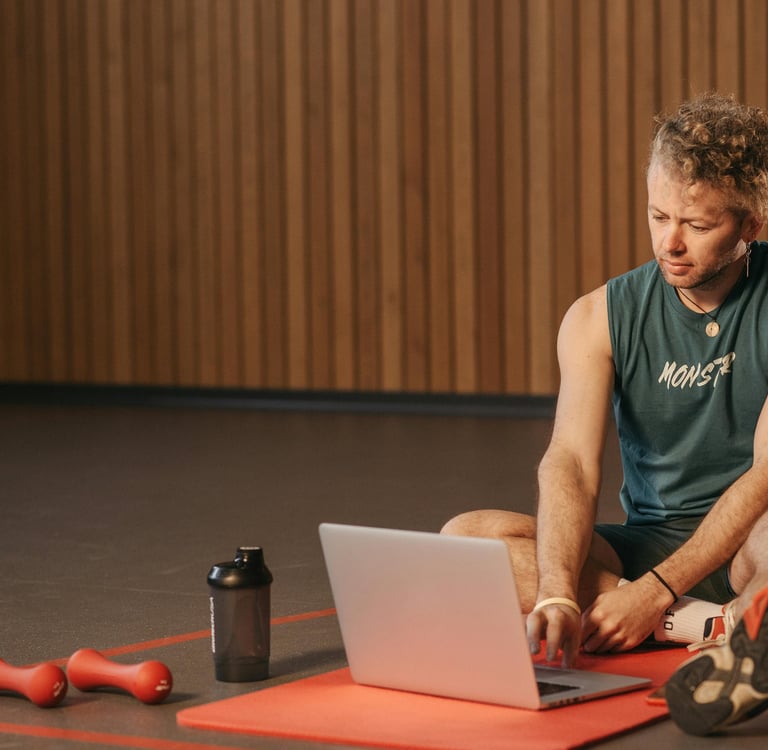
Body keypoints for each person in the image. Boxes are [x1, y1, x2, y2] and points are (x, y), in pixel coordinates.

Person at [441, 91, 768, 735]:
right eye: (657, 215)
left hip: (750, 545)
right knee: (465, 538)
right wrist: (559, 588)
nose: (670, 242)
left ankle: (725, 621)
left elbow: (764, 476)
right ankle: (720, 630)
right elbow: (571, 463)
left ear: (750, 226)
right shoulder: (597, 317)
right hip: (647, 544)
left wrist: (657, 591)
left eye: (698, 226)